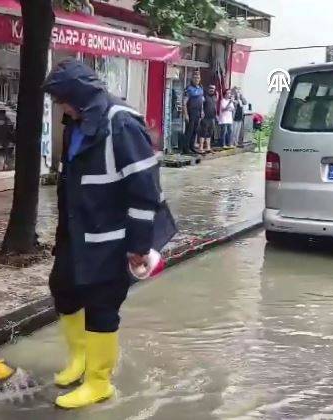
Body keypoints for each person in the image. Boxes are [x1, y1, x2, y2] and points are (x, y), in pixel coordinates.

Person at [43, 58, 177, 409]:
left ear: (79, 94)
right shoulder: (78, 121)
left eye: (63, 99)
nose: (62, 107)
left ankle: (98, 381)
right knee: (64, 287)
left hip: (111, 237)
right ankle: (80, 360)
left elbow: (145, 190)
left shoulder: (121, 123)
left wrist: (138, 246)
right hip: (77, 230)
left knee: (102, 305)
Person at [182, 71, 204, 154]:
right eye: (195, 78)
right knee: (189, 131)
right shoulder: (189, 88)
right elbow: (184, 102)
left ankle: (192, 147)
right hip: (191, 112)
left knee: (195, 131)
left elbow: (201, 100)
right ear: (192, 78)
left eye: (198, 78)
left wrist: (202, 111)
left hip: (198, 112)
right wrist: (186, 114)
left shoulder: (200, 88)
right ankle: (185, 148)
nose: (197, 79)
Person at [199, 85, 218, 153]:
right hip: (205, 117)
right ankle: (201, 147)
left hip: (212, 117)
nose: (212, 89)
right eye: (210, 88)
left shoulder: (214, 97)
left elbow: (214, 106)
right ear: (208, 88)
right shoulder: (204, 96)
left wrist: (216, 115)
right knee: (203, 132)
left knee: (210, 133)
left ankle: (208, 147)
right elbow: (201, 105)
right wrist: (201, 112)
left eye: (213, 88)